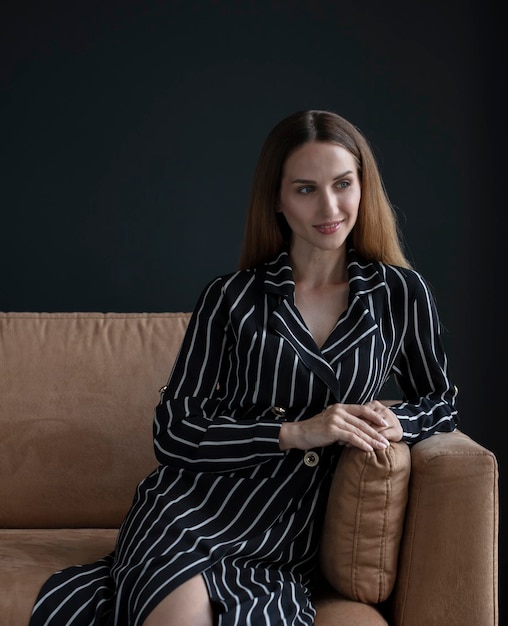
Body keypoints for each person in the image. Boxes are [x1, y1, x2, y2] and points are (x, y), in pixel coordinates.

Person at [29, 109, 458, 626]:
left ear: (363, 187)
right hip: (187, 514)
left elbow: (441, 400)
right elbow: (173, 432)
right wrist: (294, 433)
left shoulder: (399, 294)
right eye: (305, 189)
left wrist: (399, 422)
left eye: (343, 184)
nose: (330, 206)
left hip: (282, 541)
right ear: (277, 199)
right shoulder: (230, 298)